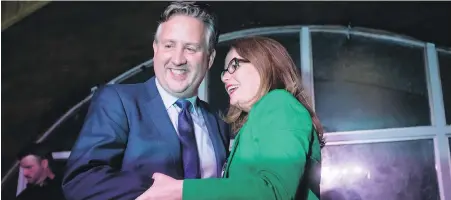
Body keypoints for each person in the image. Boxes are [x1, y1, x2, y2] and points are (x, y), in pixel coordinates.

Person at [62, 2, 230, 200]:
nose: (177, 59)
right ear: (155, 49)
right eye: (169, 45)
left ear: (209, 59)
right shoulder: (118, 101)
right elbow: (81, 180)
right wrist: (167, 192)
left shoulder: (218, 124)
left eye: (190, 49)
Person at [136, 36, 325, 200]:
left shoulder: (279, 103)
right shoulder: (257, 120)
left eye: (234, 65)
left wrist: (181, 190)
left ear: (266, 62)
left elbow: (275, 191)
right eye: (225, 71)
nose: (225, 78)